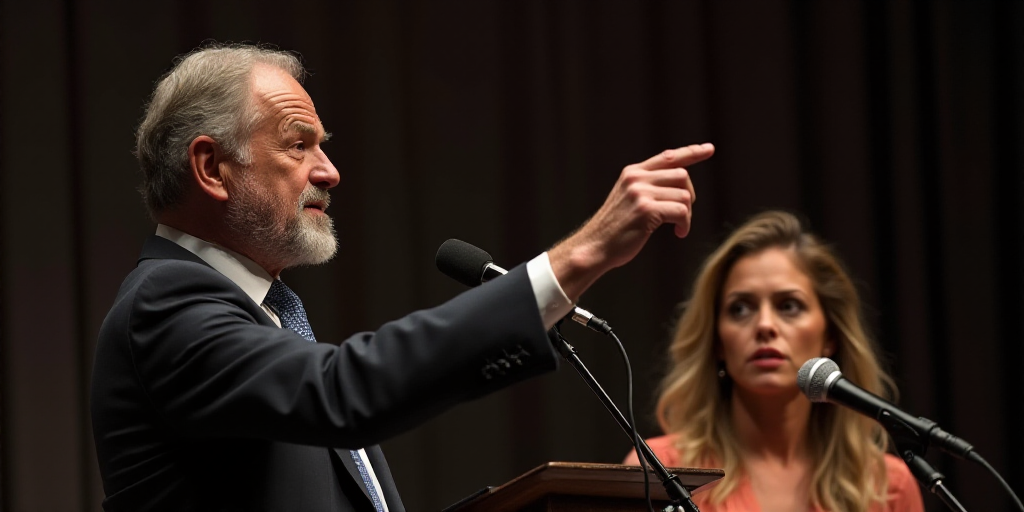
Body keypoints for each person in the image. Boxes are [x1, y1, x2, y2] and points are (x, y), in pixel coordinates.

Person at [90, 42, 714, 512]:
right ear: (211, 167)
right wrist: (578, 258)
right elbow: (340, 394)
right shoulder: (166, 303)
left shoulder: (264, 315)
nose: (329, 171)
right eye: (298, 144)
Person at [623, 211, 924, 512]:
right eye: (740, 309)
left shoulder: (888, 487)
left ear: (830, 335)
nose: (765, 325)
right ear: (717, 341)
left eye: (789, 306)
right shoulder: (659, 470)